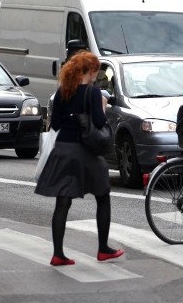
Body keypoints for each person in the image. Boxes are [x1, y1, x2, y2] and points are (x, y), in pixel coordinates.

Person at [34, 51, 123, 266]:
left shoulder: (63, 90)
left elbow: (54, 124)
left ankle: (57, 254)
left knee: (62, 201)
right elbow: (100, 122)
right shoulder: (92, 92)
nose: (96, 76)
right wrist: (101, 105)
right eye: (95, 72)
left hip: (64, 148)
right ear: (90, 71)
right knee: (103, 196)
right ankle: (103, 249)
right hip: (86, 151)